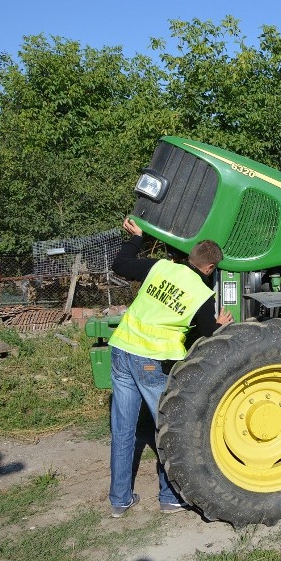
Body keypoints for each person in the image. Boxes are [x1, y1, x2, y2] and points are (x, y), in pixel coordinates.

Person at [107, 217, 233, 518]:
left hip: (121, 349)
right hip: (150, 363)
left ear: (191, 257)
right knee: (168, 429)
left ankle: (119, 501)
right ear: (210, 267)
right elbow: (205, 337)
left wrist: (136, 238)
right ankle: (169, 497)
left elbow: (120, 265)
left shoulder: (159, 267)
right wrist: (219, 326)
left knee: (123, 431)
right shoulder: (203, 294)